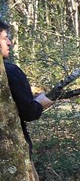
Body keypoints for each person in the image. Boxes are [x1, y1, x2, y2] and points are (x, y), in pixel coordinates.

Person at [0, 20, 53, 151]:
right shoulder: (10, 72)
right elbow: (28, 112)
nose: (9, 43)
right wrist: (40, 103)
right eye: (4, 37)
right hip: (10, 152)